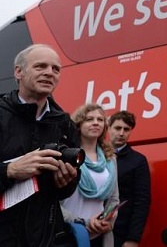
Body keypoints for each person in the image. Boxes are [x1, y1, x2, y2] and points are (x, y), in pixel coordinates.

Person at [0, 44, 80, 247]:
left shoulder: (65, 124)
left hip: (44, 238)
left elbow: (64, 191)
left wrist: (67, 181)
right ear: (18, 72)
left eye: (56, 69)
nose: (49, 73)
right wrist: (10, 170)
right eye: (40, 66)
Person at [61, 104, 119, 247]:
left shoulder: (110, 158)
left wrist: (107, 222)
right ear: (79, 124)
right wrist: (82, 222)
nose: (95, 123)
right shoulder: (67, 154)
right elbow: (53, 201)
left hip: (99, 234)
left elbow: (114, 199)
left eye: (100, 119)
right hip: (69, 231)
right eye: (89, 119)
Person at [108, 110, 151, 247]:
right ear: (109, 128)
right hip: (92, 228)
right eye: (117, 128)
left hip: (120, 232)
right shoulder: (97, 155)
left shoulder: (137, 161)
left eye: (126, 129)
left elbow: (142, 201)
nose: (121, 133)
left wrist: (133, 238)